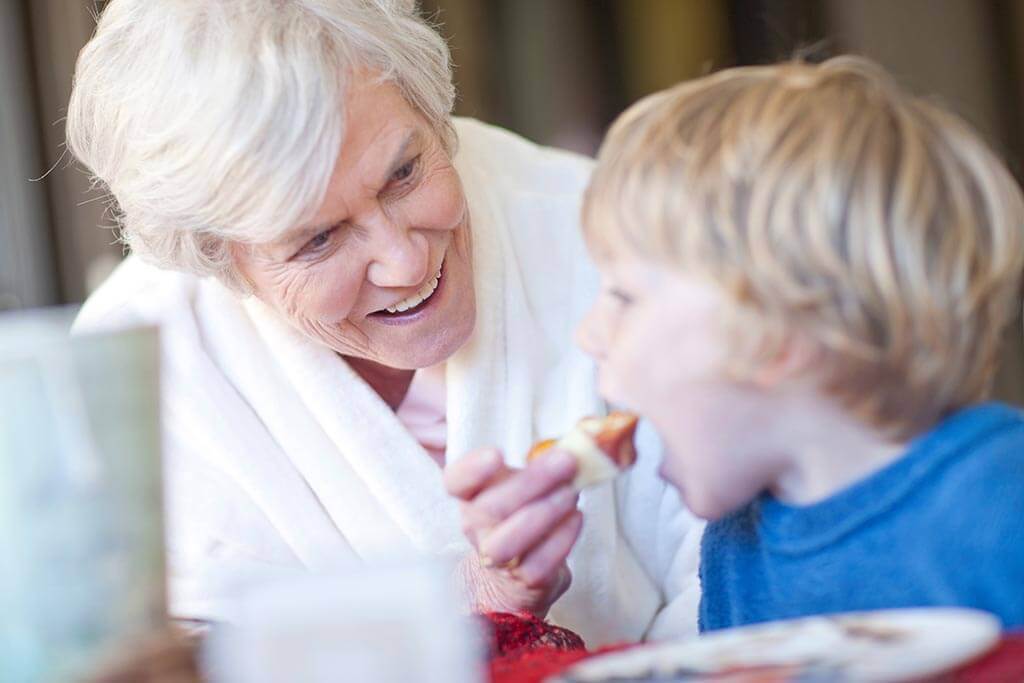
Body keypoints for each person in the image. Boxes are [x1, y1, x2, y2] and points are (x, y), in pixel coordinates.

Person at [67, 0, 701, 644]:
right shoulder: (140, 373)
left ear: (429, 112)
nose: (403, 262)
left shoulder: (609, 234)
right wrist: (462, 608)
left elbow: (741, 581)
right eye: (317, 239)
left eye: (402, 174)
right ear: (217, 260)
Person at [570, 56, 1024, 631]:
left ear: (775, 336)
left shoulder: (1001, 500)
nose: (589, 334)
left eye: (624, 296)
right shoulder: (737, 552)